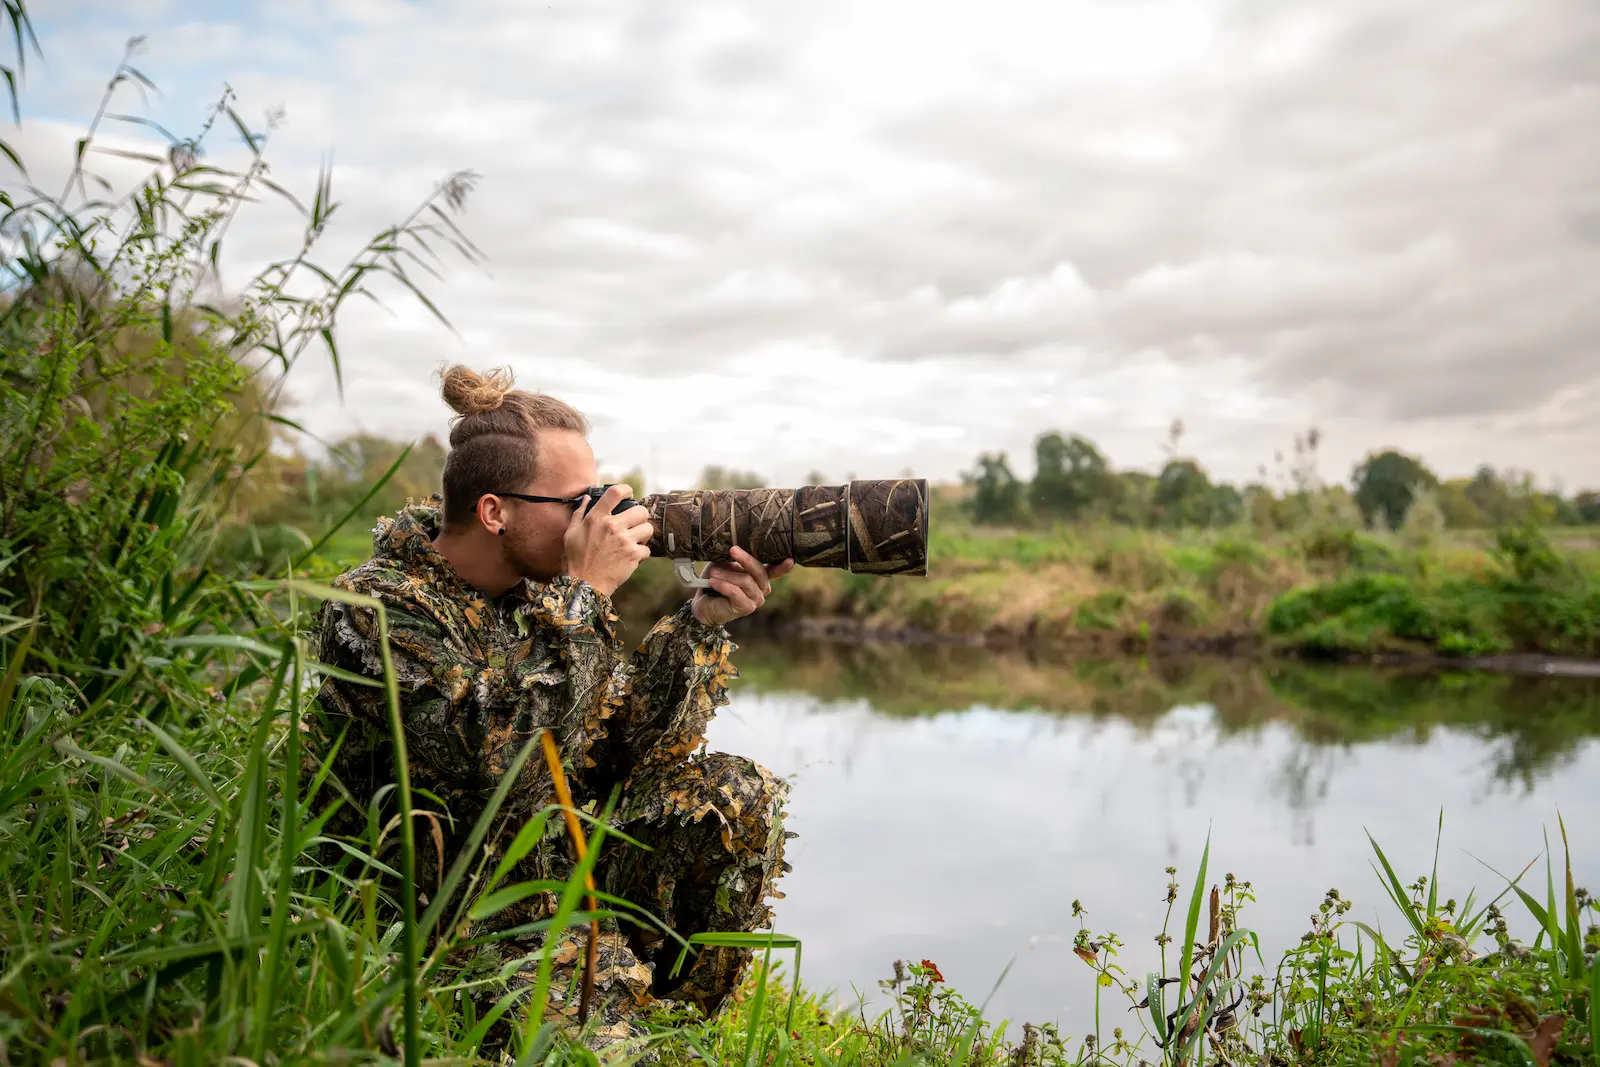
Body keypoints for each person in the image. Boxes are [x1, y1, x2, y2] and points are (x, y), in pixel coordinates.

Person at [311, 364, 795, 1052]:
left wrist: (700, 621)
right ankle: (606, 1024)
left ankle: (669, 1020)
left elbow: (621, 752)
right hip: (448, 916)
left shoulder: (540, 598)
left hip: (550, 884)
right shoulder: (374, 609)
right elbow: (494, 762)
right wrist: (585, 595)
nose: (600, 520)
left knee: (734, 793)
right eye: (580, 502)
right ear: (494, 511)